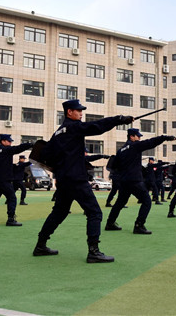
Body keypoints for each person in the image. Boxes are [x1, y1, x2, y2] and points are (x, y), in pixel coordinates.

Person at [32, 99, 133, 263]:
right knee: (94, 212)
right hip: (76, 179)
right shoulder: (73, 127)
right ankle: (93, 251)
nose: (81, 113)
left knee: (59, 212)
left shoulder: (58, 132)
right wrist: (119, 119)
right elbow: (96, 127)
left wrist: (65, 161)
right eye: (78, 110)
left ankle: (40, 245)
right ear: (69, 112)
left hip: (63, 179)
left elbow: (45, 155)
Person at [105, 129, 174, 234]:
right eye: (138, 136)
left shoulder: (121, 150)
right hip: (134, 180)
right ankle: (139, 225)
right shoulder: (134, 146)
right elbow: (150, 142)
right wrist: (164, 137)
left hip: (124, 180)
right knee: (147, 201)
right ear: (131, 137)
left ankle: (110, 223)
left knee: (120, 202)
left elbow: (114, 166)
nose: (139, 138)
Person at [0, 134, 33, 226]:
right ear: (3, 141)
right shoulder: (7, 150)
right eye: (9, 141)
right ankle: (10, 219)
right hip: (5, 180)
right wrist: (30, 144)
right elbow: (18, 148)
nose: (10, 142)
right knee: (12, 198)